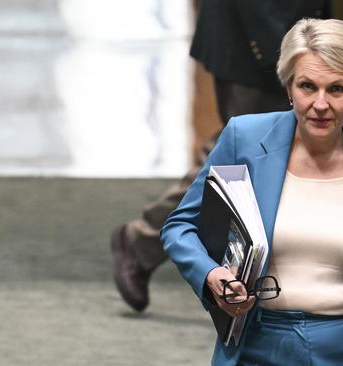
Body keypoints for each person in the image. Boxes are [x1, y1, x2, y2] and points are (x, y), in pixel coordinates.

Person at [161, 18, 343, 365]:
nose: (320, 104)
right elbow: (180, 228)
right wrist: (211, 274)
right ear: (289, 87)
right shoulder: (243, 140)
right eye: (308, 86)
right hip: (258, 344)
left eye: (336, 89)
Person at [110, 0, 328, 312]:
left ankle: (144, 241)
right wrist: (282, 52)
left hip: (289, 32)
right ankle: (142, 240)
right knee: (238, 156)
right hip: (256, 36)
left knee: (246, 152)